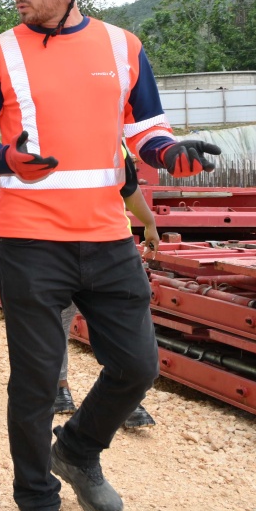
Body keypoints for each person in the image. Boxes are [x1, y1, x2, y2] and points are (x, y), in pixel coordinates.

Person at [0, 0, 221, 511]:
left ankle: (76, 449)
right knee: (37, 382)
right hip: (32, 242)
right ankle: (37, 503)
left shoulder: (124, 47)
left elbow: (149, 131)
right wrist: (7, 157)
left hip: (106, 239)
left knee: (138, 365)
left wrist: (171, 154)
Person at [55, 147, 161, 428]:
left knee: (118, 327)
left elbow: (128, 188)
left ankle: (125, 399)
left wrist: (149, 222)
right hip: (58, 244)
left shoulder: (115, 141)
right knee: (60, 321)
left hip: (109, 245)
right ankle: (59, 387)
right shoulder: (46, 132)